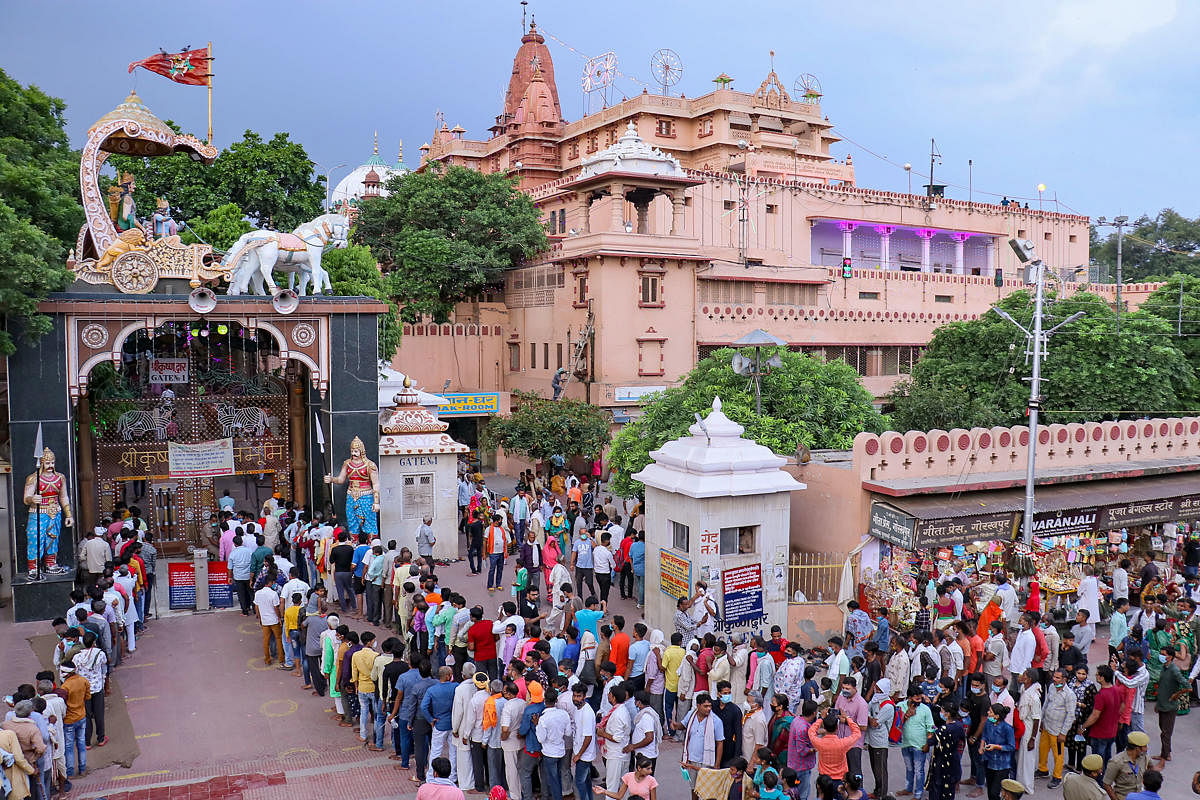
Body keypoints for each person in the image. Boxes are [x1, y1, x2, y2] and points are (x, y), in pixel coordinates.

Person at [679, 693, 724, 800]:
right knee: (694, 787)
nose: (708, 709)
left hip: (706, 762)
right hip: (691, 759)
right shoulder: (691, 714)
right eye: (705, 706)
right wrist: (675, 725)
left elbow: (720, 743)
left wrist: (717, 765)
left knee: (707, 790)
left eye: (710, 706)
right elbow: (683, 725)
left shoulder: (716, 721)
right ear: (698, 706)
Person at [1037, 667, 1076, 789]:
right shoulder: (1052, 687)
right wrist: (1042, 720)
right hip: (1047, 726)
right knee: (1042, 749)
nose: (1054, 679)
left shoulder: (1070, 695)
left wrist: (1063, 733)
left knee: (1058, 755)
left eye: (1057, 678)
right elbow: (1046, 704)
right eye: (1054, 677)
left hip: (1058, 730)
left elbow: (1070, 715)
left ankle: (1057, 777)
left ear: (1064, 679)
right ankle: (1042, 769)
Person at [1152, 645, 1187, 764]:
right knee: (1163, 730)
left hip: (1170, 707)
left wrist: (1176, 695)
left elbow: (1187, 686)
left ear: (1170, 657)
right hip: (1162, 704)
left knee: (1166, 733)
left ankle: (1165, 755)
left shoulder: (1174, 670)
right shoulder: (1164, 667)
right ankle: (1166, 753)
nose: (1161, 656)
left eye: (1164, 654)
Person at [807, 708, 860, 784]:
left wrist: (821, 718)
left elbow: (811, 731)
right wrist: (847, 718)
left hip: (823, 779)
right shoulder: (843, 743)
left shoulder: (820, 742)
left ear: (824, 728)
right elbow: (857, 733)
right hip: (840, 779)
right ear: (837, 728)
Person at [899, 685, 934, 799]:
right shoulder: (900, 707)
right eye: (916, 698)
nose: (919, 700)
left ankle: (918, 794)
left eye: (920, 698)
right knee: (909, 768)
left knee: (919, 770)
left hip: (920, 746)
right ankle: (908, 789)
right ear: (909, 698)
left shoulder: (925, 709)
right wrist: (906, 716)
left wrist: (928, 744)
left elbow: (931, 728)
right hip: (905, 743)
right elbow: (895, 725)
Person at [927, 699, 965, 800]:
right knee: (949, 792)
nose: (941, 713)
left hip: (941, 763)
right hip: (953, 762)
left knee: (937, 789)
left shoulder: (943, 729)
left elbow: (930, 742)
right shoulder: (959, 725)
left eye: (942, 711)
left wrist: (930, 734)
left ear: (947, 714)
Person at [1085, 665, 1121, 771]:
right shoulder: (1116, 690)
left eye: (1097, 675)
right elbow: (1122, 706)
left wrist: (1083, 727)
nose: (1096, 676)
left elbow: (1095, 715)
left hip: (1100, 733)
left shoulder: (1101, 695)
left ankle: (1099, 783)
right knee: (1106, 758)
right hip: (1112, 731)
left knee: (1098, 762)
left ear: (1102, 677)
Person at [865, 678, 894, 799]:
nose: (876, 690)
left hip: (880, 741)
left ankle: (882, 794)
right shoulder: (875, 700)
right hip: (872, 740)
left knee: (880, 770)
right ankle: (877, 791)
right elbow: (866, 708)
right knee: (874, 768)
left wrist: (867, 717)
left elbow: (874, 723)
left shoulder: (887, 706)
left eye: (879, 689)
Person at [980, 703, 1015, 800]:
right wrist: (981, 746)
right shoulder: (988, 723)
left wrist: (996, 747)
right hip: (989, 760)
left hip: (1002, 765)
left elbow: (1011, 747)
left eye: (990, 712)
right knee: (990, 791)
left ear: (997, 716)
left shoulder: (1007, 728)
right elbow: (984, 735)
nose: (988, 713)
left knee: (995, 792)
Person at [1014, 669, 1041, 789]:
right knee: (1020, 757)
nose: (1021, 676)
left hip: (1030, 728)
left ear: (1029, 679)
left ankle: (1027, 786)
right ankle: (1019, 783)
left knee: (1027, 758)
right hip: (1023, 724)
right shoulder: (1024, 689)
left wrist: (1032, 739)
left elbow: (1036, 719)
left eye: (1024, 675)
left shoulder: (1034, 698)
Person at [1103, 731, 1149, 800]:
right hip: (1123, 797)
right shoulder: (1116, 762)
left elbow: (1151, 768)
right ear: (1137, 748)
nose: (1146, 749)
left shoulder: (1144, 757)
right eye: (1144, 746)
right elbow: (1106, 784)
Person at [253, 578, 283, 666]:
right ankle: (281, 658)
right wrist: (279, 618)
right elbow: (276, 608)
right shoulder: (273, 594)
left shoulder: (258, 593)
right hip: (274, 620)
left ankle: (267, 659)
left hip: (264, 621)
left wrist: (259, 618)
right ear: (270, 583)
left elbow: (256, 607)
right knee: (278, 639)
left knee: (266, 641)